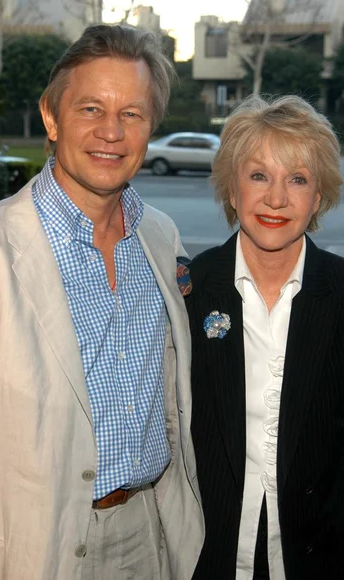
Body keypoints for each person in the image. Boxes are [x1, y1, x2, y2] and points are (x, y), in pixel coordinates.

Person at [0, 24, 204, 580]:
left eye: (131, 113)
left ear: (150, 126)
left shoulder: (161, 239)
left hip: (150, 535)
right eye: (91, 108)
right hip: (32, 550)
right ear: (51, 116)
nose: (111, 131)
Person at [187, 94, 344, 580]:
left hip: (319, 555)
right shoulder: (189, 289)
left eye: (297, 179)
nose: (276, 198)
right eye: (258, 176)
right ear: (232, 191)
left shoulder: (340, 294)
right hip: (207, 556)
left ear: (317, 198)